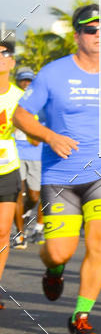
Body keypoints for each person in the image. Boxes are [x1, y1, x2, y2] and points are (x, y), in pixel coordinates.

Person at [13, 4, 101, 334]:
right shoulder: (52, 73)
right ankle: (54, 268)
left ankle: (81, 314)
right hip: (60, 177)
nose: (98, 36)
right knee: (60, 250)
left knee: (100, 245)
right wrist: (50, 136)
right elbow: (21, 115)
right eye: (91, 30)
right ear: (77, 36)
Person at [0, 40, 24, 307]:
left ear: (12, 62)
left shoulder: (19, 97)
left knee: (3, 231)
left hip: (8, 169)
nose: (1, 58)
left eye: (5, 54)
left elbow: (35, 129)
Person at [13, 67, 43, 248]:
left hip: (36, 153)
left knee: (34, 196)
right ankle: (20, 234)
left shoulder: (41, 101)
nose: (26, 84)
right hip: (15, 152)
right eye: (23, 80)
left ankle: (22, 215)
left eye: (29, 81)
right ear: (17, 81)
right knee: (18, 193)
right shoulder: (11, 99)